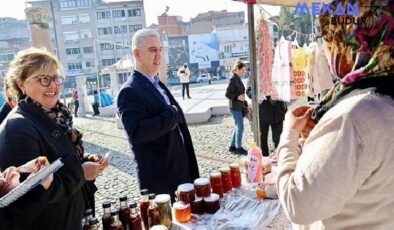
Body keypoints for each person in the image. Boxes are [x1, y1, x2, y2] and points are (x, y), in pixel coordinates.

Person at [276, 0, 394, 229]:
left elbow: (297, 204)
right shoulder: (382, 98)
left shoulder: (353, 116)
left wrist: (289, 135)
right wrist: (322, 139)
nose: (326, 49)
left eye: (329, 39)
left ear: (354, 42)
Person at [0, 47, 108, 229]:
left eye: (56, 78)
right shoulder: (17, 127)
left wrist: (86, 158)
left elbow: (58, 157)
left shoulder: (54, 116)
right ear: (21, 84)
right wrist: (81, 173)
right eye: (43, 79)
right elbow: (31, 193)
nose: (53, 85)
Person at [117, 29, 199, 199]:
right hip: (161, 182)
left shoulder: (157, 84)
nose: (159, 55)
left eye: (160, 49)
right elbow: (137, 132)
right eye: (153, 50)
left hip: (180, 173)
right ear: (137, 54)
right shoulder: (130, 91)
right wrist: (171, 115)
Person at [225, 60, 247, 155]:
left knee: (237, 126)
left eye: (244, 70)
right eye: (242, 70)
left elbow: (240, 93)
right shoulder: (233, 79)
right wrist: (237, 97)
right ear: (237, 69)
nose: (244, 72)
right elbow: (227, 94)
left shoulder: (237, 78)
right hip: (234, 107)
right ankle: (238, 148)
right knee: (240, 127)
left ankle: (232, 146)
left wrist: (244, 102)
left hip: (238, 106)